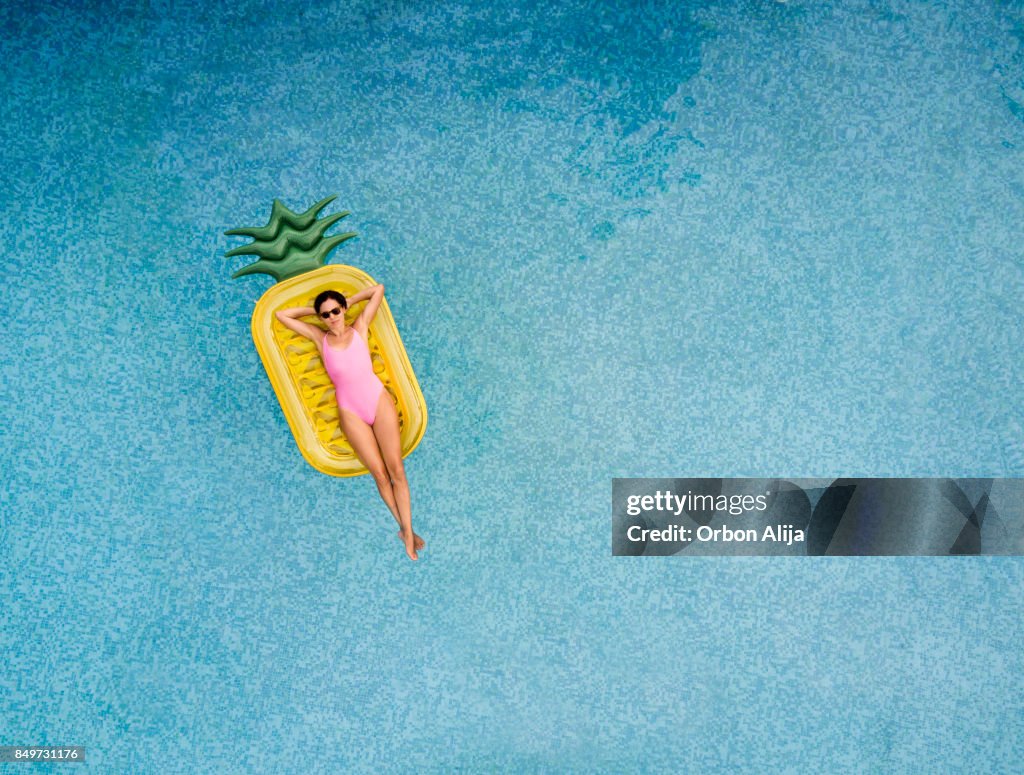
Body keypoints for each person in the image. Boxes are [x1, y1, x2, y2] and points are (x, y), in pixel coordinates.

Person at [275, 284, 423, 561]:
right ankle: (405, 530)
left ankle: (409, 531)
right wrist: (313, 313)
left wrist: (349, 300)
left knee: (396, 470)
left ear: (343, 309)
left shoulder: (360, 327)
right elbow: (283, 315)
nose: (332, 317)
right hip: (350, 411)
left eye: (335, 310)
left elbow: (378, 290)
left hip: (377, 400)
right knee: (379, 474)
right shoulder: (320, 338)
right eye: (325, 314)